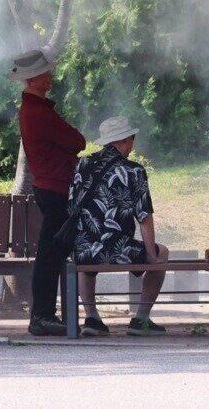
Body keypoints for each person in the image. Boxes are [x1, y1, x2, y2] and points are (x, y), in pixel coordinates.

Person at [70, 117, 170, 337]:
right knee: (162, 252)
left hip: (84, 250)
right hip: (119, 249)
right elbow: (144, 217)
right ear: (124, 140)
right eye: (132, 138)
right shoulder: (134, 171)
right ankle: (141, 319)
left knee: (87, 252)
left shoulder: (82, 165)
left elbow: (72, 207)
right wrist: (152, 256)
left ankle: (92, 318)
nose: (133, 143)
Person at [12, 48, 87, 337]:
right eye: (46, 73)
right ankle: (42, 316)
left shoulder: (34, 110)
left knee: (52, 253)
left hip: (50, 186)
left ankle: (45, 314)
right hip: (55, 187)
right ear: (34, 79)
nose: (50, 76)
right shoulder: (37, 112)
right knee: (50, 255)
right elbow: (76, 140)